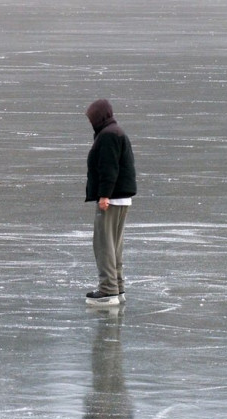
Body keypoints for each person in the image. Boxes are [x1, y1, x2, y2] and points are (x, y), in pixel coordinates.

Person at [84, 99, 136, 306]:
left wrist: (104, 195)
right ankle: (117, 286)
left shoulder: (108, 136)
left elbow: (109, 168)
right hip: (121, 198)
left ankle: (108, 290)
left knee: (104, 245)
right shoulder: (115, 132)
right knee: (114, 245)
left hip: (112, 199)